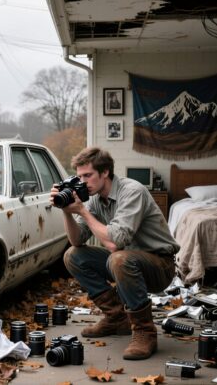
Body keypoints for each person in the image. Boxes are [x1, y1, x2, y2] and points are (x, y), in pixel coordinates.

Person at [50, 147, 179, 360]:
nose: (83, 182)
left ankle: (145, 332)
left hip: (159, 265)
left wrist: (82, 211)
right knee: (72, 255)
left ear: (105, 172)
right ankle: (116, 317)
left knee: (119, 258)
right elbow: (76, 240)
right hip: (125, 262)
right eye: (79, 176)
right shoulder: (92, 198)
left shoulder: (132, 191)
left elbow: (114, 242)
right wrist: (67, 211)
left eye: (88, 175)